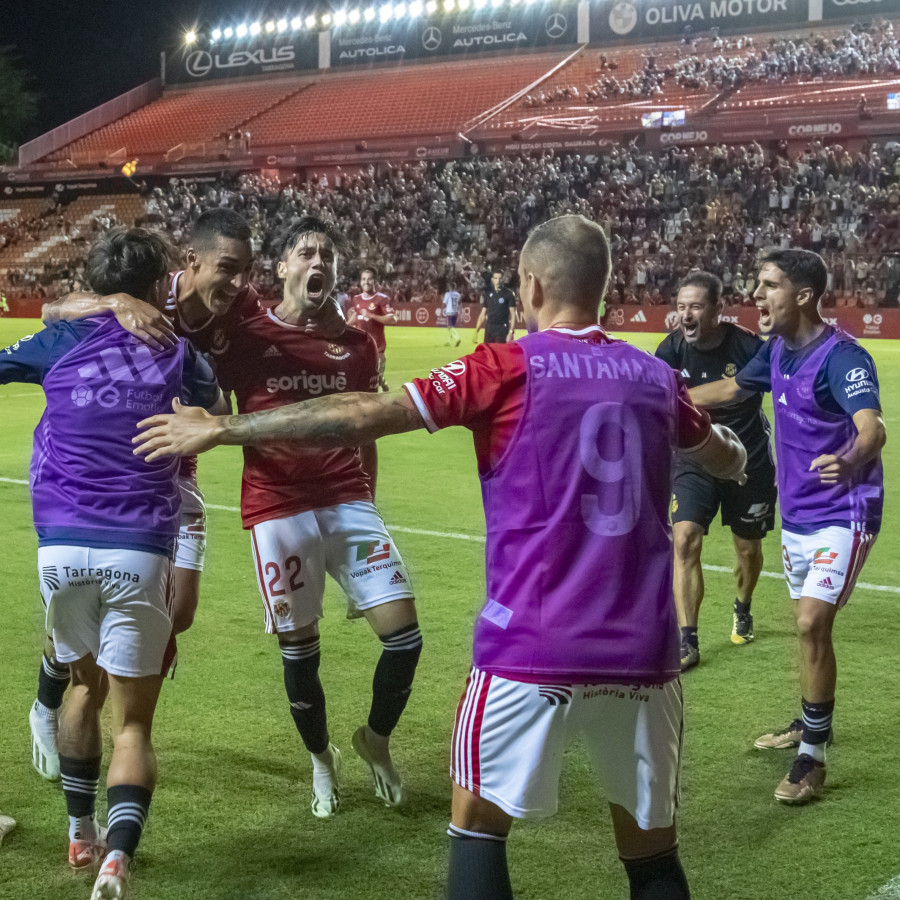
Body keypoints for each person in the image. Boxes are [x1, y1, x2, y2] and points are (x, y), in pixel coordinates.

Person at [135, 215, 748, 899]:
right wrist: (734, 447)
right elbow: (723, 456)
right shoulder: (654, 376)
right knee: (653, 860)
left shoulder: (504, 366)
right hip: (645, 655)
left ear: (531, 285)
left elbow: (366, 414)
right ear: (603, 289)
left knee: (479, 833)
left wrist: (224, 428)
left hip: (530, 649)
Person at [167, 216, 422, 819]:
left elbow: (367, 429)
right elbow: (189, 306)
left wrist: (370, 501)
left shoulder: (359, 345)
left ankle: (374, 742)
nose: (319, 262)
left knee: (405, 639)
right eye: (305, 252)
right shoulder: (244, 327)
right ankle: (320, 762)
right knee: (300, 651)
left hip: (346, 501)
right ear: (280, 268)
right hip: (276, 506)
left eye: (328, 254)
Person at [1, 228, 226, 900]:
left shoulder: (60, 342)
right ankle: (116, 860)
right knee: (133, 721)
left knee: (80, 687)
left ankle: (80, 832)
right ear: (161, 284)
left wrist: (79, 313)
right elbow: (217, 413)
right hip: (140, 544)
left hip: (61, 544)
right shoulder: (179, 351)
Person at [28, 208, 256, 784]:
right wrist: (112, 303)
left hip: (180, 472)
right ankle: (56, 703)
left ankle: (100, 709)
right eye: (227, 269)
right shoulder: (150, 300)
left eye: (244, 272)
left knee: (178, 613)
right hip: (121, 478)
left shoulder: (246, 314)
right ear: (190, 264)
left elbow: (229, 404)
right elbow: (60, 308)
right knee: (100, 617)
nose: (236, 284)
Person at [690, 248, 885, 805]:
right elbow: (730, 391)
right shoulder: (776, 351)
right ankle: (808, 720)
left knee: (809, 623)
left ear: (802, 295)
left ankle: (813, 757)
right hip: (797, 515)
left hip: (843, 512)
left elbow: (872, 429)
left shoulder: (843, 359)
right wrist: (661, 397)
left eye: (769, 284)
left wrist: (849, 460)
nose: (756, 295)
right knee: (807, 629)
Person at [655, 272, 776, 671]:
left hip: (748, 461)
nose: (685, 315)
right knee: (685, 539)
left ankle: (743, 605)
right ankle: (687, 640)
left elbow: (747, 388)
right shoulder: (670, 349)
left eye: (695, 306)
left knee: (748, 549)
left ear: (717, 309)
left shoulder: (746, 346)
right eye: (681, 306)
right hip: (693, 462)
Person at [346, 267, 397, 392]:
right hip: (360, 347)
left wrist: (372, 315)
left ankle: (382, 383)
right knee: (360, 381)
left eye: (369, 279)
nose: (366, 282)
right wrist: (346, 325)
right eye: (363, 279)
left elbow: (393, 319)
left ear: (375, 281)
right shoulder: (356, 298)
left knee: (376, 380)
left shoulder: (381, 299)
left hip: (377, 347)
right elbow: (357, 315)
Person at [473, 270, 516, 344]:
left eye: (500, 278)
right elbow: (482, 314)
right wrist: (476, 332)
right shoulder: (488, 294)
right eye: (496, 278)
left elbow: (513, 315)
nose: (498, 281)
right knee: (488, 353)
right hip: (489, 328)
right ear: (492, 280)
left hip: (502, 328)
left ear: (503, 279)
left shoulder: (509, 294)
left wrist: (511, 332)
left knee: (499, 353)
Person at [442, 280, 462, 346]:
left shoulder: (448, 294)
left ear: (450, 287)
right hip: (455, 312)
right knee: (452, 327)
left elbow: (444, 303)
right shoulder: (458, 294)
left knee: (450, 327)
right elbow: (459, 303)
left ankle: (457, 338)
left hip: (449, 311)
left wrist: (442, 310)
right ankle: (448, 342)